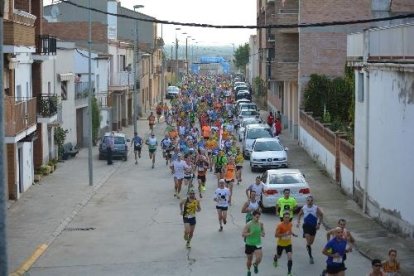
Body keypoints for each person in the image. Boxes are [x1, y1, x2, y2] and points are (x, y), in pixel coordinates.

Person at [296, 195, 324, 264]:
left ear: (313, 201)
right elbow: (299, 214)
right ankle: (311, 257)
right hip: (306, 226)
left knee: (311, 243)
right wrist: (298, 222)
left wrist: (318, 224)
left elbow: (321, 215)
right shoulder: (304, 207)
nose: (310, 202)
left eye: (311, 200)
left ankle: (308, 246)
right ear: (306, 201)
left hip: (313, 227)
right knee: (308, 241)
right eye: (308, 200)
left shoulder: (316, 208)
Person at [274, 211, 298, 276]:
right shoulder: (280, 225)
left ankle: (289, 272)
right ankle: (275, 258)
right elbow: (276, 235)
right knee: (279, 256)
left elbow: (289, 231)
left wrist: (293, 234)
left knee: (290, 257)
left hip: (288, 243)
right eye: (286, 217)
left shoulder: (290, 224)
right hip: (280, 244)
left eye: (288, 217)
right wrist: (285, 234)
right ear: (283, 218)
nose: (287, 219)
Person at [242, 210, 265, 276]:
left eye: (259, 217)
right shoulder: (248, 224)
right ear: (253, 216)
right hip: (249, 244)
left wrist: (262, 233)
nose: (258, 218)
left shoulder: (260, 223)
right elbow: (243, 234)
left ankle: (255, 265)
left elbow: (263, 231)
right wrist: (250, 234)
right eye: (256, 217)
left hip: (257, 243)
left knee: (259, 258)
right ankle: (249, 270)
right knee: (249, 259)